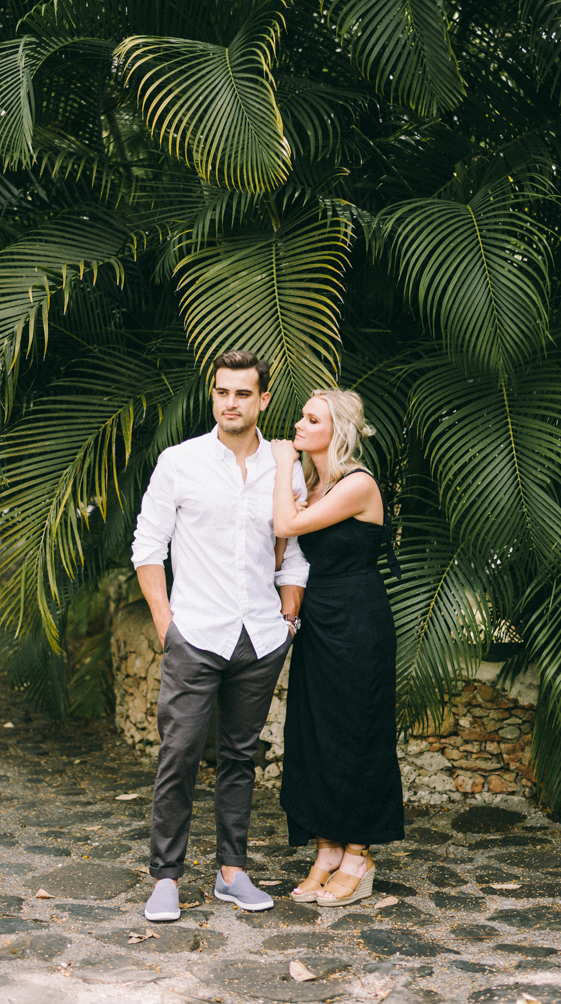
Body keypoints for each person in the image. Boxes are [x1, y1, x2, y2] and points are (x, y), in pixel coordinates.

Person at [132, 349, 309, 921]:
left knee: (240, 756)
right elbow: (147, 547)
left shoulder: (285, 468)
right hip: (196, 632)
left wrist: (287, 613)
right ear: (214, 395)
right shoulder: (179, 462)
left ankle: (232, 871)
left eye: (242, 393)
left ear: (262, 399)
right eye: (221, 392)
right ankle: (165, 878)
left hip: (259, 635)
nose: (230, 403)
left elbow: (296, 546)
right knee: (179, 753)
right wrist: (167, 624)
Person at [271, 389, 405, 907]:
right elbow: (283, 543)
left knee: (357, 732)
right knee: (313, 731)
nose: (299, 426)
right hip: (318, 618)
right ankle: (325, 850)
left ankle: (357, 854)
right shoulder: (314, 484)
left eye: (311, 419)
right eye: (300, 418)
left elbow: (286, 524)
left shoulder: (357, 483)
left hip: (358, 619)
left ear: (338, 431)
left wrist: (283, 461)